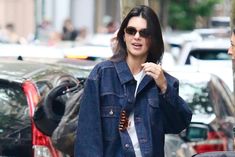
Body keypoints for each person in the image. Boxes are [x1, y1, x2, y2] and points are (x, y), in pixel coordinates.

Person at [75, 5, 192, 157]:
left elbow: (178, 124)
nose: (137, 36)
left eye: (144, 33)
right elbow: (88, 138)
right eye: (131, 31)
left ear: (153, 39)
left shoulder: (162, 81)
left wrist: (164, 87)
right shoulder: (102, 75)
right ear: (124, 35)